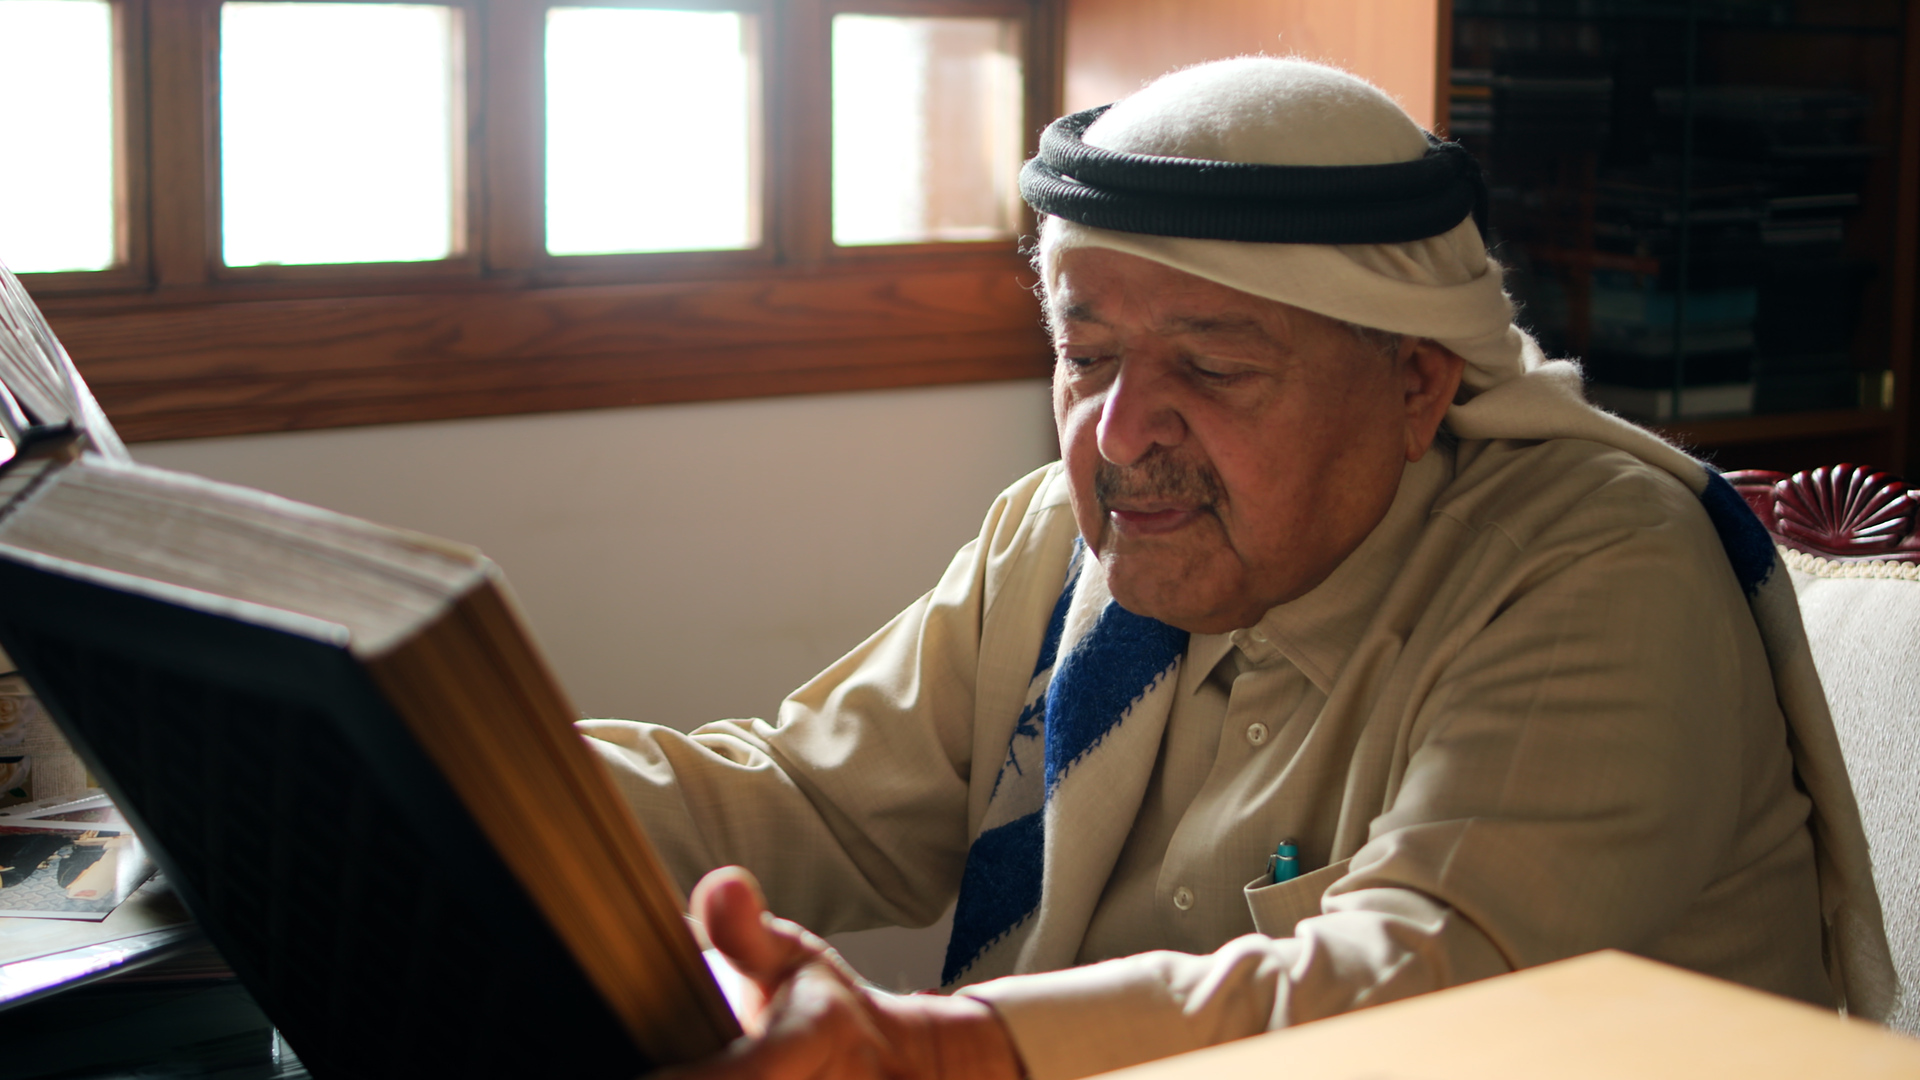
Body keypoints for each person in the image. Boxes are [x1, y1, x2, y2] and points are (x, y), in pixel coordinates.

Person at [584, 58, 1897, 1080]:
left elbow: (1414, 992)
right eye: (1087, 358)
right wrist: (503, 784)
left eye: (1211, 367)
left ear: (1415, 384)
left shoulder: (1597, 571)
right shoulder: (1062, 538)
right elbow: (811, 798)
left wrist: (951, 1048)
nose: (1119, 436)